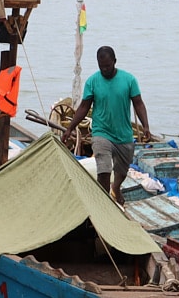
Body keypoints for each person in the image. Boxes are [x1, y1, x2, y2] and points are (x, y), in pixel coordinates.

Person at [61, 46, 150, 205]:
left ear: (114, 62)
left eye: (108, 66)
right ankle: (105, 204)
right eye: (101, 66)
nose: (105, 69)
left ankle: (115, 188)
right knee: (103, 168)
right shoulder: (93, 81)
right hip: (101, 132)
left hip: (124, 134)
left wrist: (146, 127)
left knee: (122, 171)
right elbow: (84, 107)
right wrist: (70, 128)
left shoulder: (129, 80)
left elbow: (138, 104)